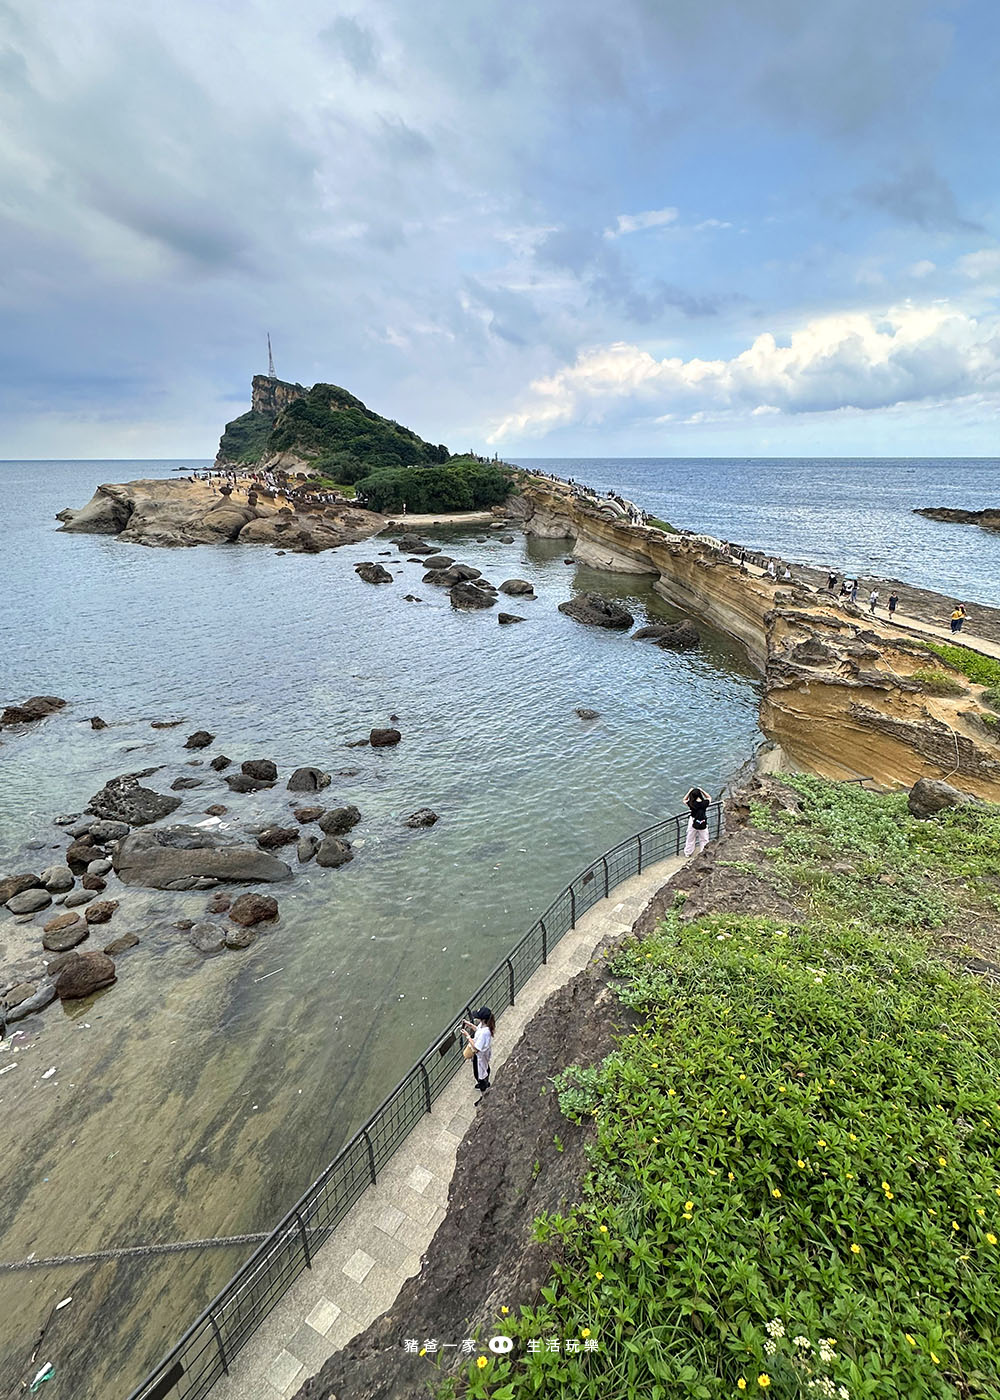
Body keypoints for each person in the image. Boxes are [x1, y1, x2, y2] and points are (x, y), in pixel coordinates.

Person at [462, 1008, 495, 1100]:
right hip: (484, 1054)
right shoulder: (485, 1026)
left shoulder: (485, 1033)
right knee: (485, 1068)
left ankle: (484, 1095)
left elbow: (476, 1047)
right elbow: (477, 1029)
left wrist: (468, 1037)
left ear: (483, 1019)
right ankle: (485, 1083)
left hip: (480, 1055)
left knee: (479, 1075)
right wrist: (469, 1025)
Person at [683, 786, 712, 857]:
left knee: (690, 837)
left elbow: (684, 800)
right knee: (704, 838)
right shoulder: (705, 803)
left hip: (693, 820)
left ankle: (688, 852)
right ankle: (703, 852)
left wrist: (689, 791)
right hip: (702, 821)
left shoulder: (691, 803)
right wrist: (702, 790)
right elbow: (709, 797)